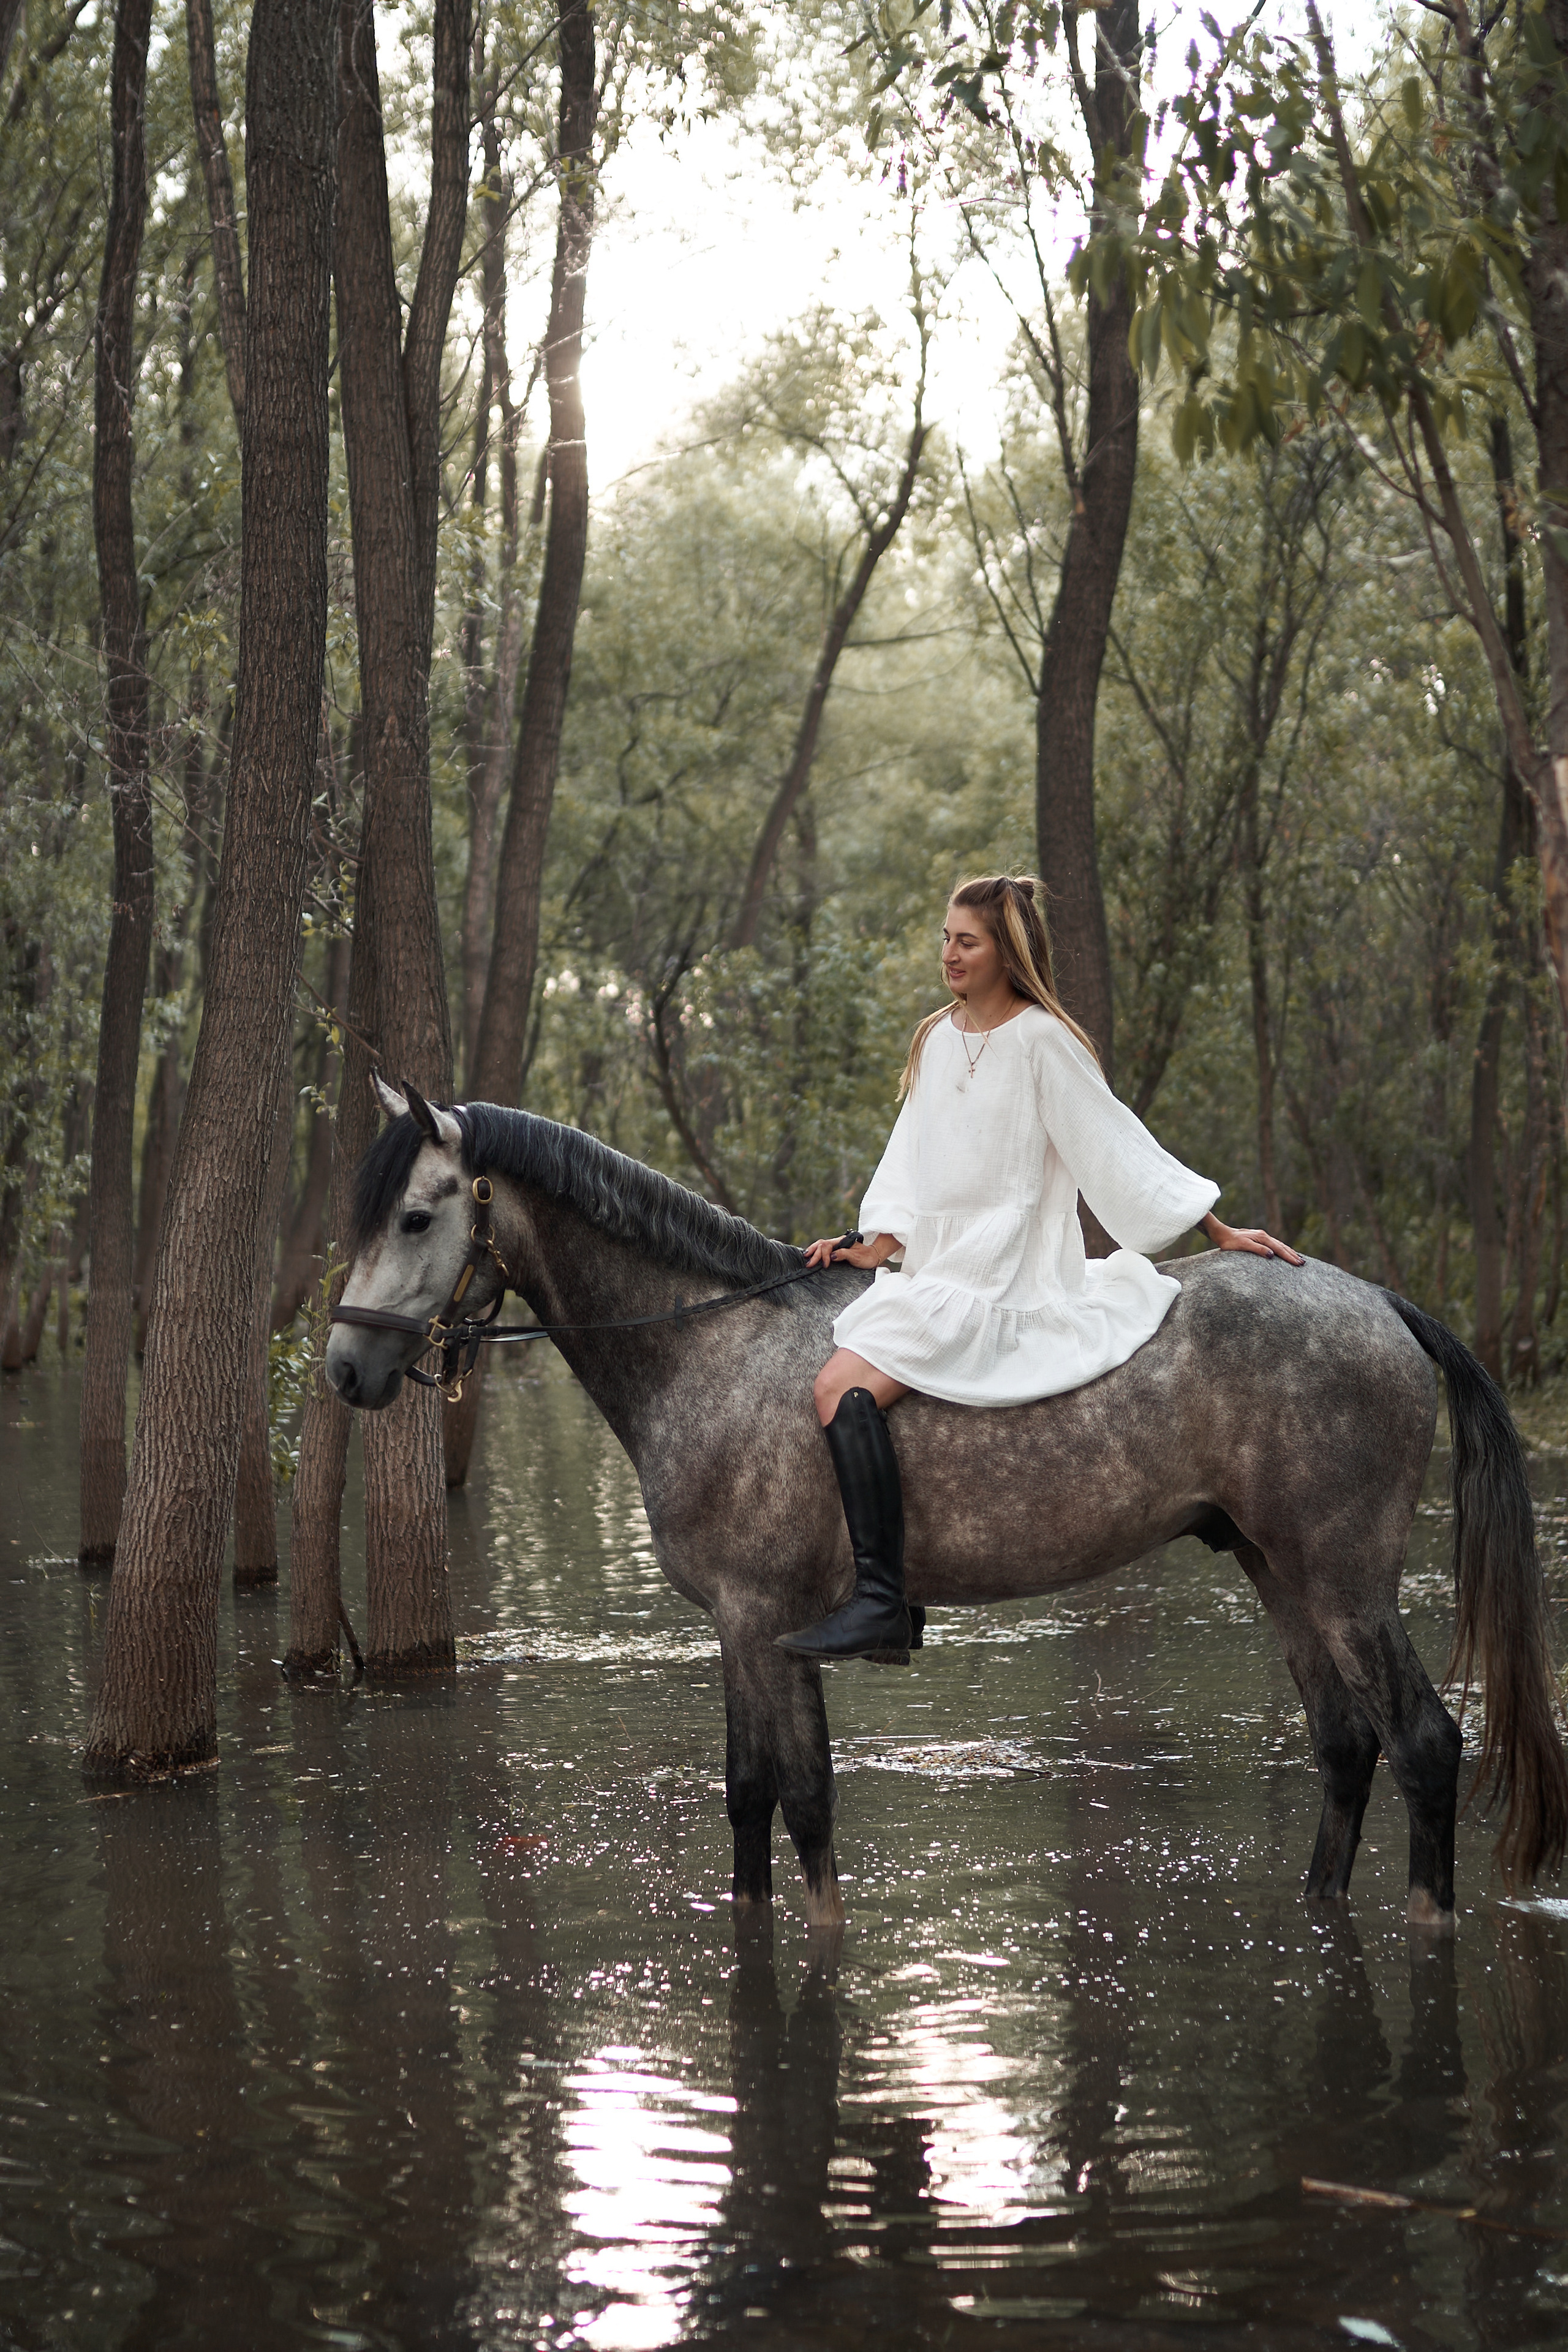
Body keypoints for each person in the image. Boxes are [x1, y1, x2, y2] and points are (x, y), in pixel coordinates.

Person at [780, 873, 1303, 1667]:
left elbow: (1115, 1143)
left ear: (1007, 951)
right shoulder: (936, 1036)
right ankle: (899, 1602)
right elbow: (912, 1155)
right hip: (941, 1264)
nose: (950, 954)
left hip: (1009, 1271)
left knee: (837, 1387)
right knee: (852, 1352)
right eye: (946, 938)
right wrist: (878, 1242)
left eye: (968, 941)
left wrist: (1215, 1226)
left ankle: (884, 1603)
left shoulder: (1043, 1041)